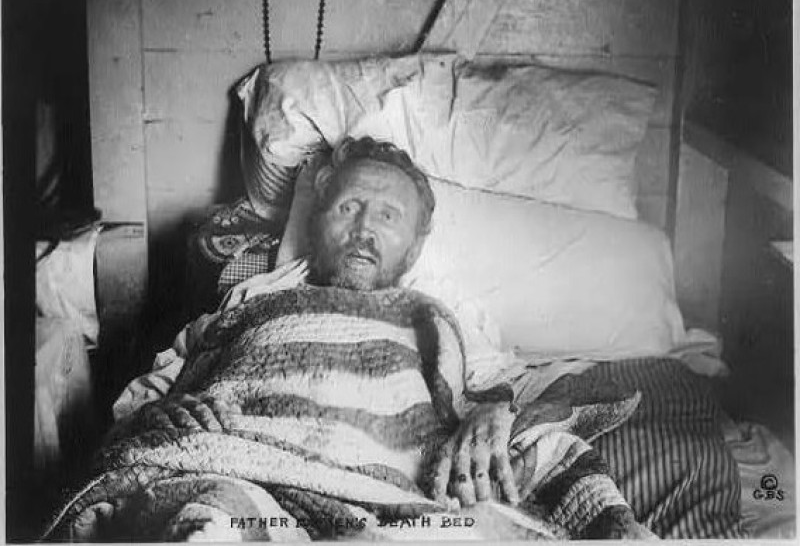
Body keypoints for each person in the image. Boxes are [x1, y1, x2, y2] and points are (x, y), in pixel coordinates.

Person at [48, 137, 648, 541]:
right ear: (318, 218)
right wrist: (158, 413)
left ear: (415, 244)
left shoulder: (439, 314)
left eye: (388, 216)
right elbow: (150, 391)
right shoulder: (252, 297)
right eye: (349, 207)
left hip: (389, 481)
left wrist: (496, 413)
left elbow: (520, 389)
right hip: (239, 466)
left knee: (558, 456)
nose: (364, 229)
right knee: (210, 516)